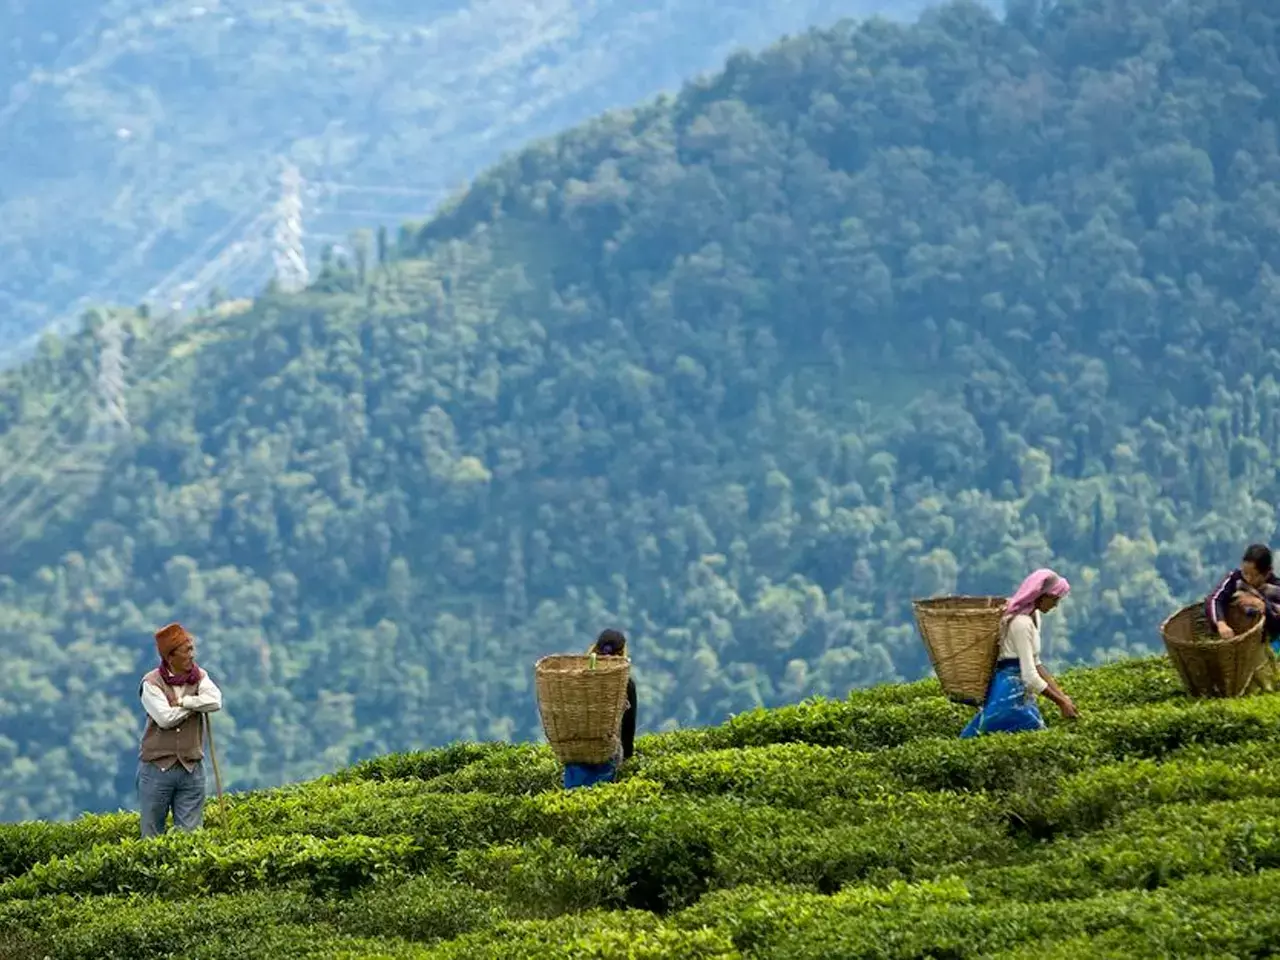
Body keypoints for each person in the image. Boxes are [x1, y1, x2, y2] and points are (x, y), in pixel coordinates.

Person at [960, 568, 1078, 739]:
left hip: (1020, 691)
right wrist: (1060, 703)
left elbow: (1037, 664)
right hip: (1009, 692)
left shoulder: (1034, 617)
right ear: (1040, 595)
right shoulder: (1020, 624)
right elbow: (1030, 675)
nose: (1055, 605)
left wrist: (1063, 697)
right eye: (1054, 599)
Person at [137, 622, 223, 837]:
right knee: (151, 834)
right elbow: (165, 719)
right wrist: (196, 704)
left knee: (191, 836)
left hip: (191, 768)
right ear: (170, 657)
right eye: (187, 651)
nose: (192, 655)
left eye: (192, 649)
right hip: (157, 769)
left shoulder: (200, 676)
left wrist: (185, 702)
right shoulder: (151, 683)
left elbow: (215, 702)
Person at [562, 628, 637, 790]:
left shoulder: (579, 677)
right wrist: (628, 756)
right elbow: (628, 725)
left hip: (577, 751)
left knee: (572, 800)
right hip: (606, 751)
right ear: (622, 652)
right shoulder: (625, 684)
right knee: (598, 798)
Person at [1206, 543, 1280, 651]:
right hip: (1235, 639)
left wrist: (1264, 606)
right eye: (1245, 573)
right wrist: (1221, 624)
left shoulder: (1276, 589)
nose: (1248, 579)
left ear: (1267, 573)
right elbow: (1215, 599)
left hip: (1268, 643)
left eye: (1253, 575)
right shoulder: (1235, 579)